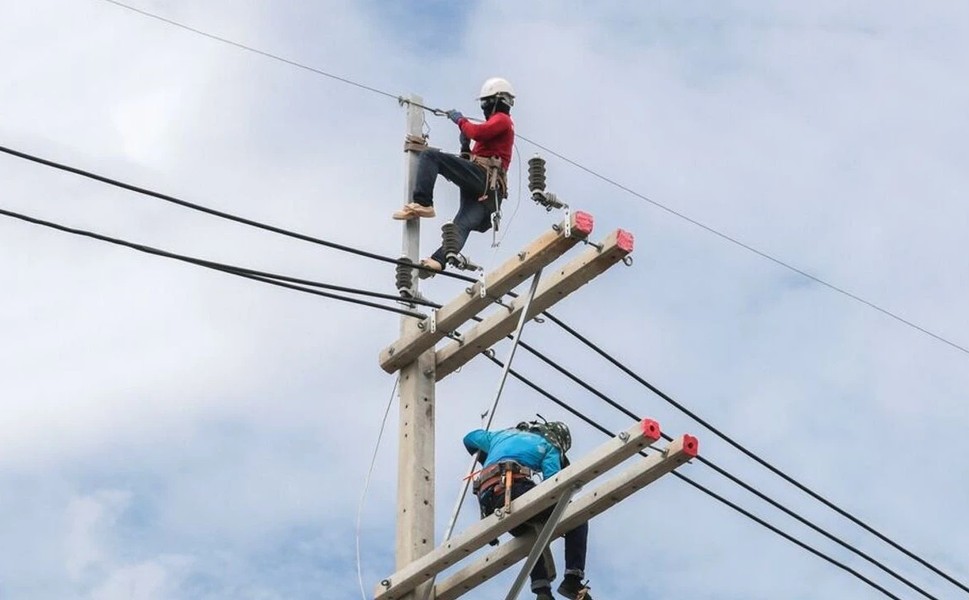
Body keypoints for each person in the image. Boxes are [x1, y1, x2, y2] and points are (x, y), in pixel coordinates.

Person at [392, 77, 516, 276]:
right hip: (489, 194)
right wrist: (465, 146)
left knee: (431, 157)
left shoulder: (502, 120)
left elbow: (476, 132)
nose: (484, 109)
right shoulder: (497, 129)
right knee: (462, 224)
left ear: (494, 102)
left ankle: (423, 203)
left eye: (484, 104)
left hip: (485, 180)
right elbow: (473, 155)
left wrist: (460, 120)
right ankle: (437, 261)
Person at [463, 420, 593, 600]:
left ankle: (542, 591)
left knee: (530, 534)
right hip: (515, 489)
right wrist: (562, 511)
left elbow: (469, 438)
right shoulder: (550, 445)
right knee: (577, 515)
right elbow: (553, 484)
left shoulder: (498, 436)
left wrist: (491, 460)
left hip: (490, 502)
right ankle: (573, 580)